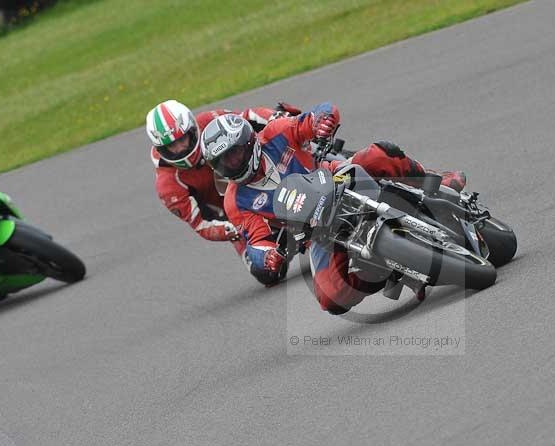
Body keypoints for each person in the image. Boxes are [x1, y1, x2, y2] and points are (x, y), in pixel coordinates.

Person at [199, 103, 467, 312]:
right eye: (223, 162)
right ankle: (384, 272)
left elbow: (314, 117)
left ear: (249, 142)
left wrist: (322, 121)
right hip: (315, 230)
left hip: (336, 178)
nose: (232, 164)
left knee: (378, 154)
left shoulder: (275, 134)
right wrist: (267, 256)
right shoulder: (234, 201)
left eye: (234, 154)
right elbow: (256, 241)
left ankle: (434, 180)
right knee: (330, 298)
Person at [145, 99, 300, 262]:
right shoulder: (168, 185)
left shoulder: (211, 121)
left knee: (292, 128)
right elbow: (202, 224)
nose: (180, 149)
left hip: (262, 175)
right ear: (161, 149)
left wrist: (276, 117)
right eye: (172, 146)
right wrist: (233, 228)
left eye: (182, 139)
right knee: (265, 271)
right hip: (238, 215)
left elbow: (247, 118)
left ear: (192, 129)